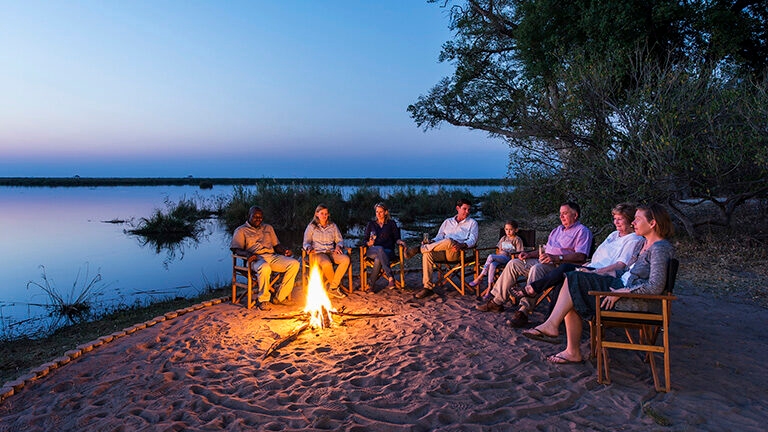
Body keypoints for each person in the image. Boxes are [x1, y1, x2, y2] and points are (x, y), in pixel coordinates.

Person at [522, 203, 676, 364]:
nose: (633, 223)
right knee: (574, 278)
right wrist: (594, 273)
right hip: (619, 286)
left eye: (637, 219)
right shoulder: (643, 244)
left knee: (573, 281)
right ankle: (565, 341)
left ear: (652, 223)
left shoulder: (660, 248)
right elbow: (624, 272)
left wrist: (622, 292)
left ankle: (559, 334)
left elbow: (655, 287)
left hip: (634, 300)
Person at [477, 202, 593, 329]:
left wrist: (556, 257)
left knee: (536, 269)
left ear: (575, 215)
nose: (561, 217)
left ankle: (523, 311)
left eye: (565, 213)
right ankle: (497, 302)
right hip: (545, 261)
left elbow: (581, 256)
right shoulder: (557, 230)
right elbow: (545, 249)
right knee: (513, 263)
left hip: (560, 267)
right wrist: (529, 254)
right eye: (560, 214)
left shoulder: (582, 231)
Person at [511, 203, 644, 309]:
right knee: (562, 277)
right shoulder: (613, 235)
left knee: (566, 270)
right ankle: (549, 319)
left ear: (630, 221)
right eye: (615, 219)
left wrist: (594, 270)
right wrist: (588, 265)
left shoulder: (633, 240)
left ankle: (531, 290)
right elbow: (598, 257)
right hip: (591, 267)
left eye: (620, 219)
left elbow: (620, 265)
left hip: (603, 274)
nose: (616, 222)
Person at [405, 198, 479, 299]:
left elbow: (473, 240)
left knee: (449, 241)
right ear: (457, 208)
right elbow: (439, 237)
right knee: (427, 254)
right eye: (464, 209)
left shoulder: (472, 223)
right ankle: (427, 288)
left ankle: (419, 249)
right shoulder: (447, 222)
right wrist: (432, 241)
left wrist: (463, 245)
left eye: (469, 210)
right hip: (442, 250)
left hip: (456, 252)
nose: (467, 212)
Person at [230, 206, 300, 310]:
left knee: (294, 264)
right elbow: (235, 249)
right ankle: (263, 300)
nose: (258, 219)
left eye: (260, 217)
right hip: (255, 259)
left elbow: (276, 246)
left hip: (272, 257)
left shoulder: (268, 228)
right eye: (255, 217)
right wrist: (247, 254)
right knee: (265, 267)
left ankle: (280, 297)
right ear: (249, 216)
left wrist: (284, 251)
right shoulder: (241, 230)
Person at [303, 204, 350, 299]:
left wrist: (338, 246)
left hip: (331, 251)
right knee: (326, 264)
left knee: (345, 259)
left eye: (326, 214)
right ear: (317, 214)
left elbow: (339, 240)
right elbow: (306, 242)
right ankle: (335, 288)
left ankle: (332, 288)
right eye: (322, 213)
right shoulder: (312, 227)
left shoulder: (332, 226)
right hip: (318, 253)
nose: (324, 216)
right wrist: (308, 248)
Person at [469, 220, 525, 298]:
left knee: (490, 256)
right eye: (506, 229)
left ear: (516, 230)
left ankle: (480, 277)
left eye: (510, 229)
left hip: (509, 258)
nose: (508, 232)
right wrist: (498, 257)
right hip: (500, 258)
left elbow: (520, 252)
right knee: (492, 265)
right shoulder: (504, 238)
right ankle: (489, 288)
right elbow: (498, 249)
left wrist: (510, 255)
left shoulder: (517, 239)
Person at [362, 202, 407, 291]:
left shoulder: (391, 223)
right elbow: (364, 240)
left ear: (386, 212)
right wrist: (368, 243)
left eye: (381, 212)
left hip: (388, 252)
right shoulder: (371, 224)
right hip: (372, 251)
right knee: (379, 249)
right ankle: (390, 276)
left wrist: (401, 241)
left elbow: (396, 238)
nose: (378, 214)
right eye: (377, 212)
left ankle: (371, 285)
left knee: (379, 258)